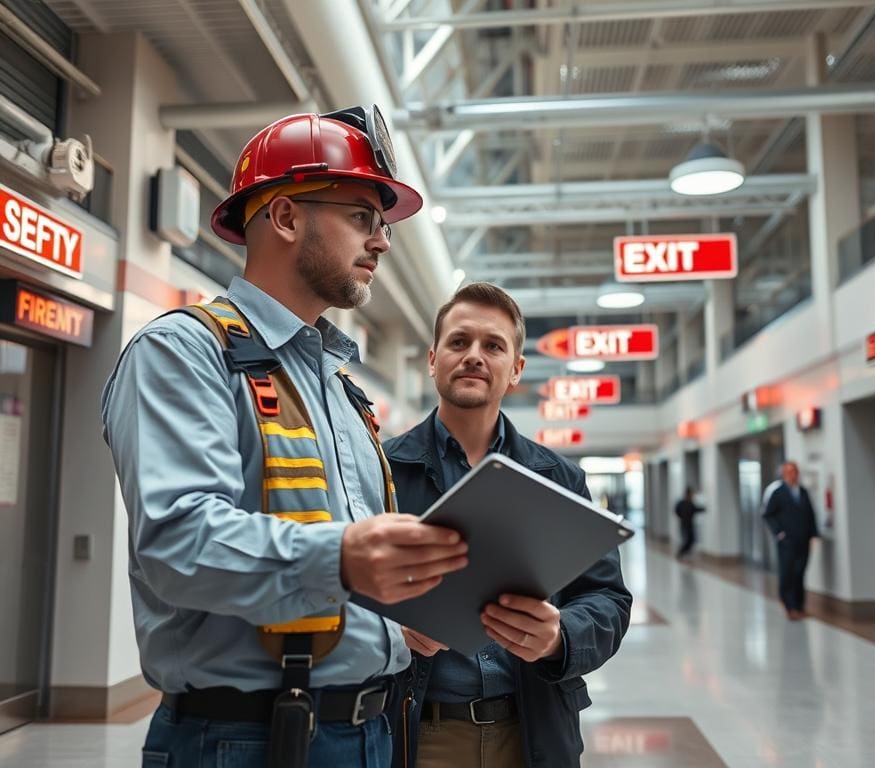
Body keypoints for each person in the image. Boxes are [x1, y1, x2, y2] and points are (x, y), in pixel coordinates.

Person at [100, 107, 470, 768]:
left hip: (370, 731)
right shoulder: (185, 352)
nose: (382, 241)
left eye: (382, 224)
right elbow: (178, 541)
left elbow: (329, 555)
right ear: (287, 217)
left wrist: (393, 616)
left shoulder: (339, 388)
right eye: (362, 216)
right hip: (247, 741)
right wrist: (346, 560)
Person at [383, 282, 633, 768]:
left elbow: (608, 600)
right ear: (433, 359)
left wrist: (562, 636)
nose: (474, 356)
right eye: (459, 342)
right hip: (418, 733)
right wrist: (391, 629)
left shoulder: (558, 478)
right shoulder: (381, 470)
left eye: (493, 345)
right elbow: (336, 586)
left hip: (532, 730)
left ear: (516, 369)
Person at [762, 461, 820, 620]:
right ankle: (788, 605)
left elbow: (810, 514)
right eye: (789, 472)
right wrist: (779, 533)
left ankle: (799, 605)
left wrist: (814, 534)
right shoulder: (778, 492)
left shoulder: (803, 492)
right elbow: (768, 514)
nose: (792, 475)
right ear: (784, 474)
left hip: (803, 539)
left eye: (794, 471)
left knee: (800, 572)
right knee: (787, 572)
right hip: (786, 541)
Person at [674, 485, 704, 559]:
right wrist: (681, 517)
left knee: (691, 539)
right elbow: (677, 510)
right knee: (688, 539)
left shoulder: (690, 503)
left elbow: (695, 509)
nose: (692, 495)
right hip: (685, 524)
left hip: (689, 524)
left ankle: (684, 552)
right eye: (691, 493)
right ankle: (681, 552)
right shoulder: (683, 502)